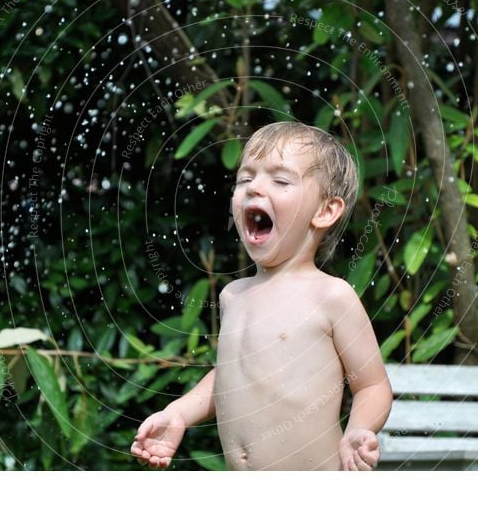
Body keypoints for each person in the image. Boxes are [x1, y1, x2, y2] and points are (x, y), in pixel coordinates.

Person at [131, 122, 392, 470]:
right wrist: (178, 413)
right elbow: (230, 375)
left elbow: (373, 385)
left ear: (325, 211)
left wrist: (358, 429)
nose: (255, 188)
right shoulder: (233, 296)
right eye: (245, 179)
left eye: (280, 181)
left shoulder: (330, 296)